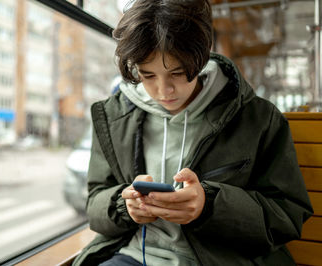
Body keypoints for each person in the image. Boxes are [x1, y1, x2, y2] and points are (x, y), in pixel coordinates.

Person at [72, 0, 314, 265]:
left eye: (177, 73)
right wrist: (123, 206)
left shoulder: (259, 119)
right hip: (134, 256)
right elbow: (95, 204)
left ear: (200, 57)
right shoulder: (113, 117)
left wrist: (209, 206)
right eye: (148, 75)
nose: (164, 91)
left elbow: (287, 217)